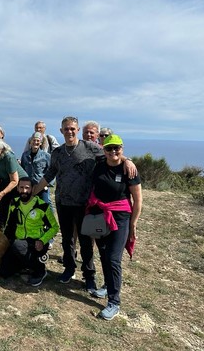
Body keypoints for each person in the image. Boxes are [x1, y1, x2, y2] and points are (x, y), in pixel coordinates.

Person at [33, 117, 136, 290]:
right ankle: (69, 268)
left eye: (72, 128)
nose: (70, 132)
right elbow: (50, 174)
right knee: (67, 240)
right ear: (61, 131)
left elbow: (110, 152)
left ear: (77, 129)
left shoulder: (89, 147)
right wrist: (34, 191)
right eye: (66, 129)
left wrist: (128, 160)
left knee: (86, 242)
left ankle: (89, 276)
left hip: (84, 204)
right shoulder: (57, 153)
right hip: (63, 201)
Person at [86, 135, 142, 320]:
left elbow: (138, 199)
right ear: (104, 149)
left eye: (116, 148)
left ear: (122, 148)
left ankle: (114, 302)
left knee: (113, 258)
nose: (113, 152)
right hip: (100, 214)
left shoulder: (129, 170)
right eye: (109, 148)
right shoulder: (100, 162)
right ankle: (107, 287)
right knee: (102, 252)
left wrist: (133, 223)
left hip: (120, 217)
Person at [0, 178, 59, 286]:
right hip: (19, 242)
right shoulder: (14, 203)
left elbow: (54, 227)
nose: (24, 191)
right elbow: (9, 226)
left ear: (32, 189)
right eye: (21, 187)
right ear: (17, 188)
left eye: (27, 188)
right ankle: (24, 264)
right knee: (3, 272)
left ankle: (40, 270)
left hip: (36, 243)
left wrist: (42, 240)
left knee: (17, 245)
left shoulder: (42, 205)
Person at [0, 136, 28, 229]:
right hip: (5, 181)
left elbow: (14, 180)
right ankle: (2, 229)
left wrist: (1, 194)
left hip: (19, 183)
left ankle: (16, 231)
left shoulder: (8, 157)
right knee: (2, 207)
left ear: (1, 148)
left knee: (16, 208)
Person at [20, 132, 52, 204]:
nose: (36, 142)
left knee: (44, 208)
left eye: (38, 141)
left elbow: (52, 171)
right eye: (34, 140)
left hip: (42, 187)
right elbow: (22, 170)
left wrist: (47, 184)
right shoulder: (25, 155)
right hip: (28, 188)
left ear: (41, 143)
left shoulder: (46, 156)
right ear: (30, 142)